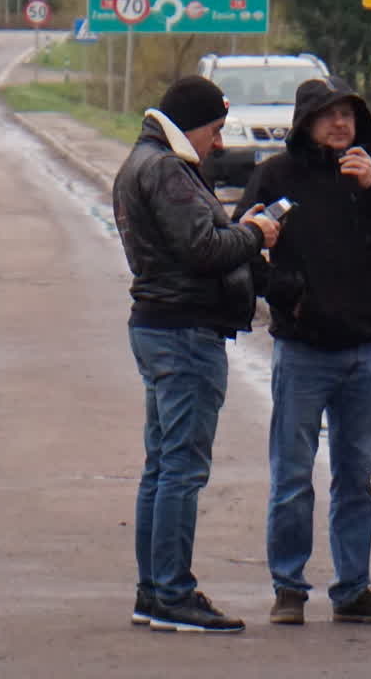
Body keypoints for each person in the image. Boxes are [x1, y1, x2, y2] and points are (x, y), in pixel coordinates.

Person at [233, 76, 371, 626]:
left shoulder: (368, 176)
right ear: (306, 123)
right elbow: (240, 244)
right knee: (293, 477)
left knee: (356, 478)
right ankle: (289, 589)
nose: (341, 123)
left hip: (362, 352)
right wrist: (284, 293)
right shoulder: (276, 176)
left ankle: (353, 590)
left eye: (348, 114)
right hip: (303, 352)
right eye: (328, 115)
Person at [112, 75, 282, 634]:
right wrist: (256, 234)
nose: (219, 142)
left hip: (160, 325)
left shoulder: (144, 162)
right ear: (193, 125)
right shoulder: (167, 169)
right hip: (185, 331)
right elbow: (202, 250)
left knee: (162, 466)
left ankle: (153, 590)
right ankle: (172, 593)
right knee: (182, 469)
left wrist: (240, 229)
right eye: (215, 129)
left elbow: (189, 241)